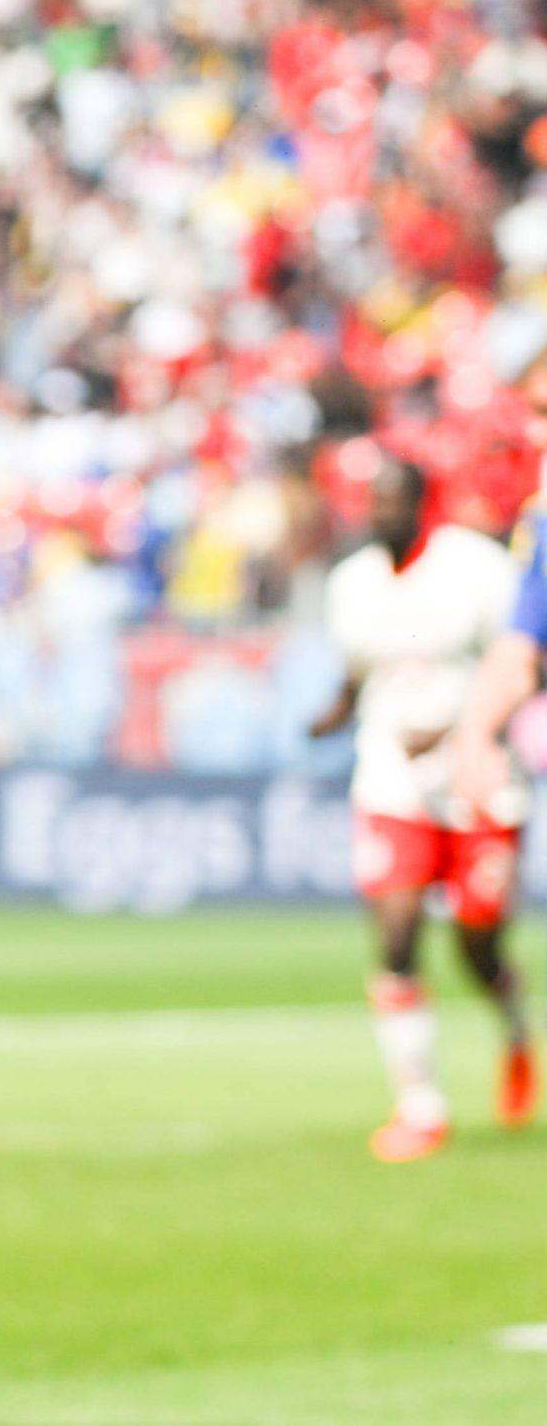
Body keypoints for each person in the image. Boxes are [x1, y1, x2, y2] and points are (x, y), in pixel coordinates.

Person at [314, 457, 534, 1162]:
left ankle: (515, 1020)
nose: (377, 513)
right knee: (398, 933)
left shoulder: (475, 568)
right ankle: (420, 1105)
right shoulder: (350, 582)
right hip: (390, 777)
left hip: (477, 775)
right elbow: (358, 669)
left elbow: (528, 654)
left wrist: (466, 725)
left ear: (422, 504)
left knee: (477, 943)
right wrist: (334, 713)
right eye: (369, 501)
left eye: (390, 501)